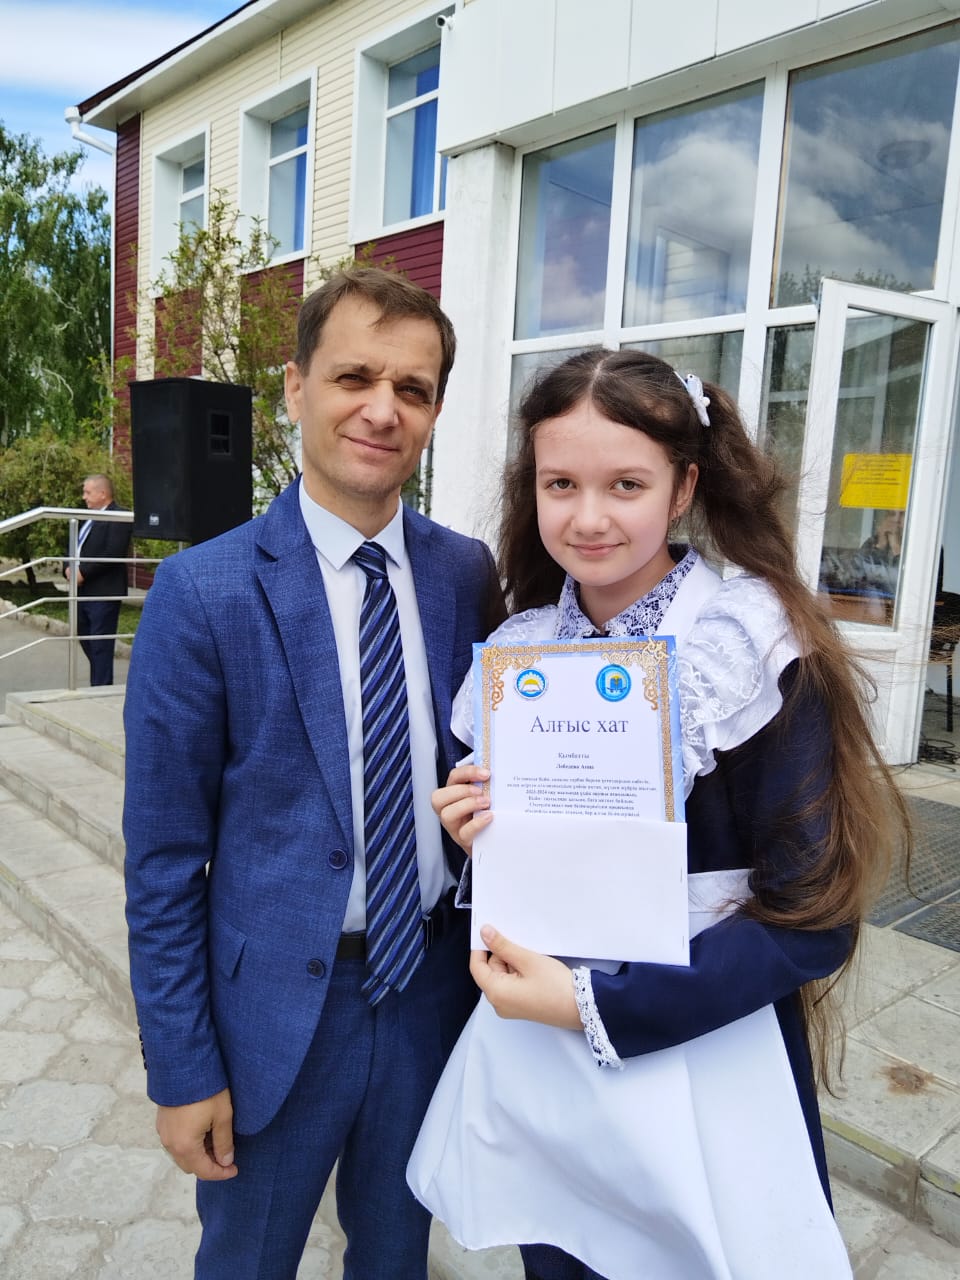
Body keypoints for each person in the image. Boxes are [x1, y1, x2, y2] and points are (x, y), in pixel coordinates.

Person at [407, 349, 909, 1280]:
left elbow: (814, 920)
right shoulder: (518, 653)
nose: (588, 517)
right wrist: (476, 831)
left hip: (705, 1052)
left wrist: (596, 1004)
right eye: (561, 483)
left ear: (684, 488)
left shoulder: (751, 644)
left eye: (626, 484)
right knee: (561, 1260)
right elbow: (530, 878)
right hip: (539, 1060)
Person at [122, 266, 505, 1279]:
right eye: (354, 377)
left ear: (434, 413)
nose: (383, 409)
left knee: (397, 1255)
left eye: (413, 389)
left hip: (429, 990)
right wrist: (182, 1067)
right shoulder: (201, 593)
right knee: (248, 1260)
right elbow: (162, 861)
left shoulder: (465, 572)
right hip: (276, 1017)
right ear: (295, 388)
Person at [64, 473, 131, 686]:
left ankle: (100, 687)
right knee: (84, 637)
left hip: (104, 592)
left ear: (102, 494)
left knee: (100, 644)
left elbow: (112, 553)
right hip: (82, 591)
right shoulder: (86, 517)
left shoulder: (119, 516)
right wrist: (67, 568)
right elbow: (73, 546)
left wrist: (82, 572)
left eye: (87, 492)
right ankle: (99, 681)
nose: (83, 497)